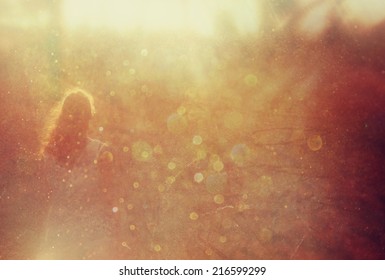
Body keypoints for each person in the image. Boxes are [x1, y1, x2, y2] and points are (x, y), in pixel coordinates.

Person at [37, 88, 116, 259]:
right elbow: (44, 199)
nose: (77, 121)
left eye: (81, 115)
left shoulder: (101, 153)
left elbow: (110, 198)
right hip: (58, 238)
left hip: (91, 240)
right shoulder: (49, 153)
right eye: (73, 115)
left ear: (89, 118)